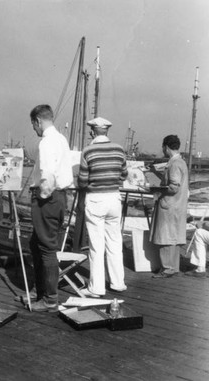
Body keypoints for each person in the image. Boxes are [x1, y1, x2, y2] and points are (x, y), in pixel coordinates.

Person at [28, 104, 73, 312]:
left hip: (48, 198)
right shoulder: (62, 139)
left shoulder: (46, 142)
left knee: (46, 248)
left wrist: (41, 195)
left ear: (38, 121)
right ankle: (40, 292)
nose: (34, 130)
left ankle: (50, 299)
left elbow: (48, 175)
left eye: (33, 125)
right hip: (60, 197)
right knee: (36, 243)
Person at [77, 117, 128, 296]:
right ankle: (118, 283)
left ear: (92, 131)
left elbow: (82, 181)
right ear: (107, 131)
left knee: (96, 244)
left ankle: (97, 287)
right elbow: (124, 175)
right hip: (114, 198)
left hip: (96, 199)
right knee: (114, 241)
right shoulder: (119, 149)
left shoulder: (88, 151)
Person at [149, 135, 188, 278]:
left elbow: (173, 187)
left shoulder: (174, 163)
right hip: (178, 205)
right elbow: (175, 181)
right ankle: (173, 267)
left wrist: (156, 190)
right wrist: (155, 173)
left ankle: (167, 268)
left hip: (169, 205)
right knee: (174, 237)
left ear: (166, 147)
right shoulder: (181, 162)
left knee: (165, 237)